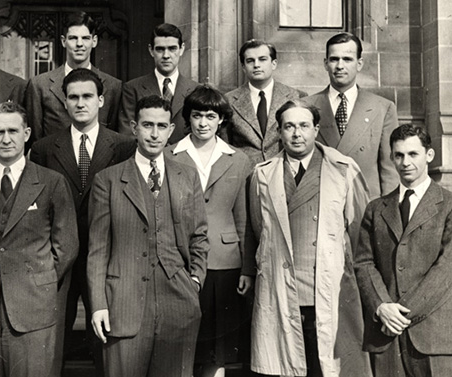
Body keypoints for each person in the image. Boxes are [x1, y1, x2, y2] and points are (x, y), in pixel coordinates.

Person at [0, 101, 79, 376]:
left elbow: (66, 246)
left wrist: (37, 279)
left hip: (32, 307)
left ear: (27, 133)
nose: (6, 139)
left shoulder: (51, 182)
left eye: (13, 131)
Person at [87, 95, 209, 377]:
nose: (154, 134)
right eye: (147, 125)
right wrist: (98, 305)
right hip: (123, 303)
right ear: (134, 127)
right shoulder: (108, 180)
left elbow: (200, 235)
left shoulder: (187, 176)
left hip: (178, 304)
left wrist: (194, 281)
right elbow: (97, 249)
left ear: (170, 131)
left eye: (161, 126)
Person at [248, 100, 371, 376]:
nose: (296, 133)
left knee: (325, 367)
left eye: (304, 126)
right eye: (288, 126)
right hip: (282, 287)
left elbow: (360, 234)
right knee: (287, 365)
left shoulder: (343, 170)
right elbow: (260, 230)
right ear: (279, 132)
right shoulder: (263, 174)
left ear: (316, 129)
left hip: (329, 287)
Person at [29, 68, 135, 375]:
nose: (80, 103)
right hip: (59, 261)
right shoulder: (45, 148)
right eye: (73, 97)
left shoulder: (124, 146)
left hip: (105, 257)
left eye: (87, 96)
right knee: (52, 341)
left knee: (107, 341)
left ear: (101, 100)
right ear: (64, 102)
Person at [354, 124, 452, 376]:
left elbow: (449, 269)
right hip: (387, 337)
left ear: (429, 155)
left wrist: (400, 314)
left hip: (435, 335)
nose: (405, 162)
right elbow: (363, 263)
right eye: (399, 155)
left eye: (413, 154)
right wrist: (382, 306)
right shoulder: (376, 209)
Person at [165, 85, 254, 377]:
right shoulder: (169, 155)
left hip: (224, 262)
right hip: (180, 260)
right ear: (187, 118)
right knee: (182, 337)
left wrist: (247, 268)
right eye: (197, 115)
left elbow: (244, 217)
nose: (203, 123)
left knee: (218, 342)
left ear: (221, 120)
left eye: (210, 116)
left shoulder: (238, 159)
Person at [303, 32, 399, 199]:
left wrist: (386, 213)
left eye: (347, 59)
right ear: (326, 64)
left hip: (365, 205)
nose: (340, 66)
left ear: (359, 63)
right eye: (334, 59)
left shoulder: (382, 108)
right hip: (320, 203)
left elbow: (390, 170)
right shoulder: (306, 107)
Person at [25, 11, 122, 142]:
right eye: (73, 38)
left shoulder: (113, 86)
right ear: (63, 41)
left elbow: (114, 139)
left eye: (85, 38)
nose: (79, 44)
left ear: (94, 41)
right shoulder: (40, 85)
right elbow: (34, 141)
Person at [224, 39, 306, 164]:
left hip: (284, 172)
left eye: (262, 59)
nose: (256, 65)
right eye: (250, 61)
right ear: (243, 67)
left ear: (274, 63)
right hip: (245, 175)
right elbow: (225, 145)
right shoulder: (228, 100)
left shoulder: (296, 96)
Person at [118, 24, 198, 144]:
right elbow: (128, 135)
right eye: (160, 49)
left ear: (181, 49)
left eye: (172, 49)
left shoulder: (195, 90)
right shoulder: (133, 88)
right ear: (151, 50)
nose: (166, 55)